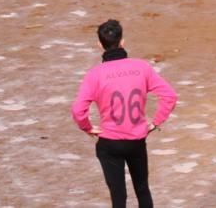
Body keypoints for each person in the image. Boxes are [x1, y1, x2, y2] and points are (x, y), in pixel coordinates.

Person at [71, 19, 177, 208]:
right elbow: (169, 96)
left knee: (118, 197)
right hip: (136, 141)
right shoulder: (142, 67)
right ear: (122, 41)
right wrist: (155, 123)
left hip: (109, 143)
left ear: (99, 44)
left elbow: (78, 110)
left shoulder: (94, 74)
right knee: (143, 190)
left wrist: (87, 128)